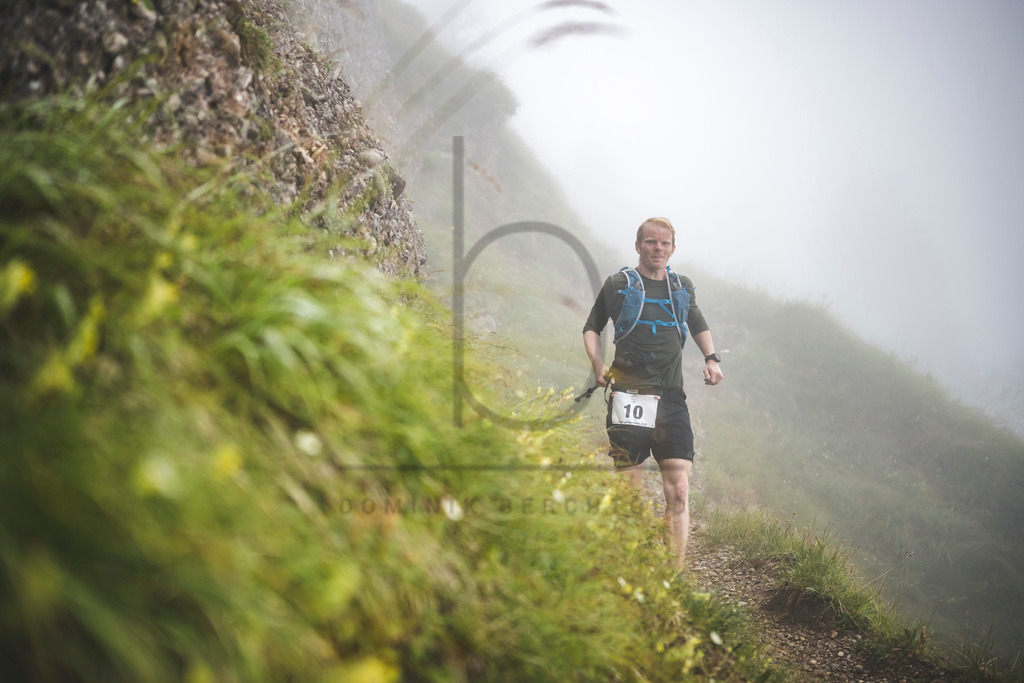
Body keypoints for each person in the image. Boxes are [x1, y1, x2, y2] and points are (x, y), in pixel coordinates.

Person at [582, 217, 723, 569]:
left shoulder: (681, 286)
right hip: (628, 396)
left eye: (663, 243)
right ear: (638, 246)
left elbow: (696, 322)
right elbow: (591, 327)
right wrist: (598, 365)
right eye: (650, 242)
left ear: (672, 248)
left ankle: (671, 575)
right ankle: (626, 567)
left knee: (679, 489)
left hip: (671, 398)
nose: (657, 249)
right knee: (628, 491)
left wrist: (712, 357)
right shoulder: (619, 284)